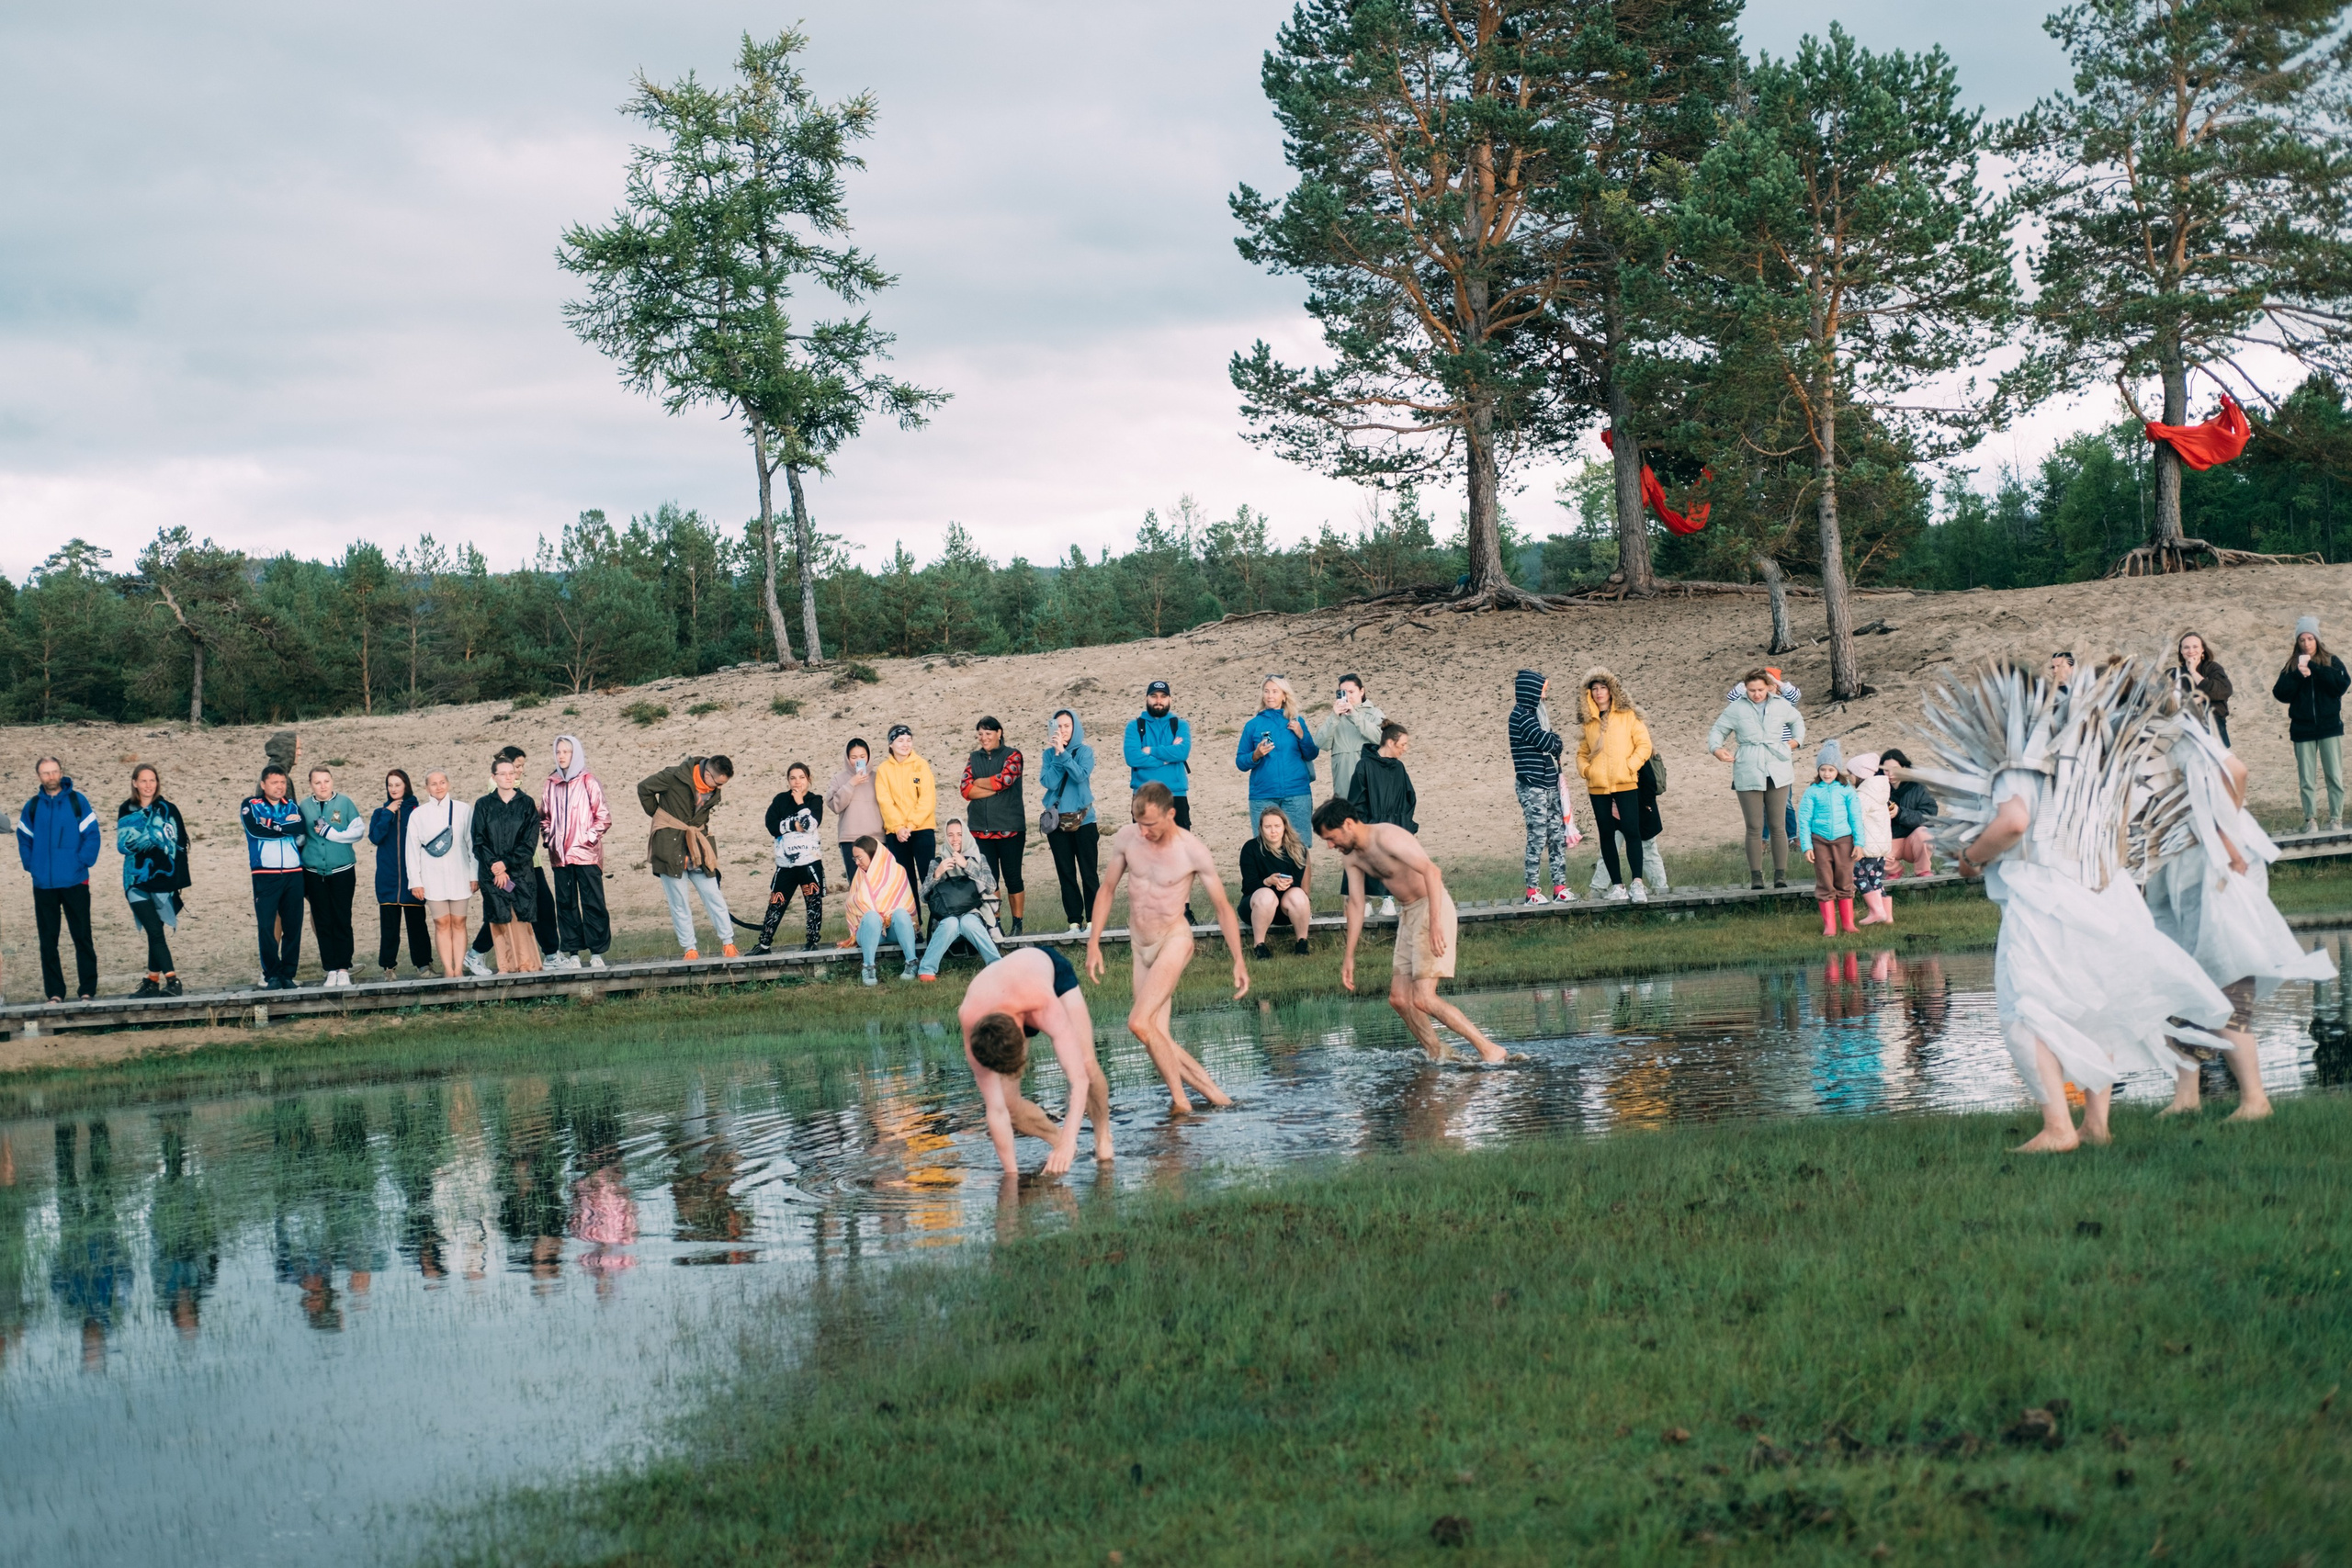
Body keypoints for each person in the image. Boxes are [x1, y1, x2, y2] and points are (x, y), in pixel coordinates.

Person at [1936, 655, 2232, 1153]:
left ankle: (2057, 1127)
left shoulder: (2016, 760)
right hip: (2103, 889)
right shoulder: (2090, 753)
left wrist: (1970, 856)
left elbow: (2014, 823)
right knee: (2099, 1002)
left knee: (2021, 1011)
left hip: (2043, 898)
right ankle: (2096, 1124)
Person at [2143, 715, 2335, 1120]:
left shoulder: (2179, 732)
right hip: (2179, 867)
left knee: (2226, 967)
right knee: (2178, 976)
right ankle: (2186, 1097)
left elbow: (2237, 771)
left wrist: (2224, 833)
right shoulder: (2142, 740)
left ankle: (2254, 1099)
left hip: (2216, 865)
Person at [1086, 781, 1250, 1116]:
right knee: (1153, 1035)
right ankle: (1219, 1099)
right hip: (1140, 947)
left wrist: (1238, 959)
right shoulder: (1127, 839)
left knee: (1138, 1023)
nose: (1143, 832)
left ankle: (1181, 1101)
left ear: (1170, 814)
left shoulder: (1192, 850)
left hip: (1174, 940)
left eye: (1150, 825)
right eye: (1138, 822)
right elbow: (1107, 890)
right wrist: (1094, 942)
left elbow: (1221, 907)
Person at [1313, 796, 1509, 1065]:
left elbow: (1432, 872)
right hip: (1408, 915)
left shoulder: (1387, 836)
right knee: (1400, 999)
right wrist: (1349, 956)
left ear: (1348, 824)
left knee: (1424, 998)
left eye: (1331, 838)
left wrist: (1436, 924)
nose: (1330, 845)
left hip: (1430, 906)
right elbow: (1357, 905)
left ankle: (1489, 1049)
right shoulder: (1352, 857)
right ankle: (1438, 1054)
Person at [958, 946, 1112, 1177]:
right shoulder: (971, 1020)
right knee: (1009, 1105)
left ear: (1021, 1032)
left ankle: (1102, 1138)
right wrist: (1011, 1176)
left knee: (1087, 1065)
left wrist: (1071, 1139)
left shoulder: (1041, 1004)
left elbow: (1077, 1079)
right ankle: (1057, 1140)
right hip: (1001, 993)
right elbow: (996, 1109)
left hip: (1046, 972)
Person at [1708, 668, 1805, 889]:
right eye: (1752, 690)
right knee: (1754, 826)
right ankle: (1756, 877)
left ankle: (1780, 876)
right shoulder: (1736, 708)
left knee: (1778, 825)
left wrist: (1796, 741)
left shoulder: (1781, 704)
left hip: (1778, 767)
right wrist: (1717, 749)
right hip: (1748, 766)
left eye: (1760, 689)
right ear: (1745, 689)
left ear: (1769, 687)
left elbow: (1797, 721)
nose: (1756, 694)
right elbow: (1717, 731)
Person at [466, 745, 560, 974]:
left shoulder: (525, 803)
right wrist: (496, 867)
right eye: (506, 772)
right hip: (494, 871)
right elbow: (480, 840)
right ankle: (480, 955)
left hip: (521, 868)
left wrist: (505, 864)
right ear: (494, 776)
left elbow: (528, 842)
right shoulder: (484, 804)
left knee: (529, 909)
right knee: (500, 912)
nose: (512, 775)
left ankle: (545, 957)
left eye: (515, 771)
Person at [638, 754, 738, 961]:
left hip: (699, 849)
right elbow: (644, 788)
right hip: (669, 848)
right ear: (708, 774)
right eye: (718, 783)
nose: (718, 788)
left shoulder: (715, 788)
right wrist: (658, 815)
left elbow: (702, 816)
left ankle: (729, 944)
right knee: (679, 902)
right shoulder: (674, 775)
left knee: (714, 895)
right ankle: (690, 950)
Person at [17, 758, 101, 1004]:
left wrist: (81, 862)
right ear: (39, 776)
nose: (50, 777)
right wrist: (32, 866)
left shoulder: (78, 802)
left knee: (82, 937)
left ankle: (87, 990)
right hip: (43, 884)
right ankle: (55, 993)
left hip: (75, 881)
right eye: (45, 773)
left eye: (54, 772)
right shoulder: (32, 806)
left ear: (61, 773)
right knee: (48, 941)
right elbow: (24, 838)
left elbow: (92, 835)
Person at [1576, 668, 1654, 903]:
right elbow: (1582, 752)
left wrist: (1630, 766)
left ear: (1612, 690)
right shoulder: (1588, 722)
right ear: (1589, 693)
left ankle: (1637, 884)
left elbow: (1644, 745)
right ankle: (1618, 886)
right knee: (1606, 835)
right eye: (1594, 689)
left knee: (1632, 832)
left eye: (1603, 688)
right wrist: (1586, 770)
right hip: (1598, 787)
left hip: (1626, 783)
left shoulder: (1628, 715)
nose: (1599, 693)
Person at [1125, 680, 1198, 921]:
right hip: (1144, 796)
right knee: (1146, 854)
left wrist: (1151, 751)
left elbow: (1182, 752)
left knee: (1180, 853)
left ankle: (1183, 909)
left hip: (1176, 795)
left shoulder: (1180, 725)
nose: (1158, 701)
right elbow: (1132, 757)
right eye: (1154, 696)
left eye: (1163, 697)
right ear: (1147, 698)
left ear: (1170, 699)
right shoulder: (1134, 726)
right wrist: (1167, 755)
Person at [115, 764, 189, 998]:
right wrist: (150, 839)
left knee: (154, 932)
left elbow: (178, 844)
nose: (149, 785)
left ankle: (151, 981)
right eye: (143, 781)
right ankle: (173, 980)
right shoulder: (126, 809)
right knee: (155, 930)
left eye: (152, 780)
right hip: (135, 878)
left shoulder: (168, 809)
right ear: (135, 783)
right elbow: (123, 845)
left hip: (162, 878)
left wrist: (176, 878)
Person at [542, 734, 612, 971]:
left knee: (593, 902)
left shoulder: (588, 780)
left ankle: (597, 952)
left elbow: (603, 817)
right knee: (566, 904)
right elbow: (545, 818)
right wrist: (550, 840)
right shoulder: (551, 783)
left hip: (587, 856)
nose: (562, 756)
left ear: (576, 754)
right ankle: (573, 952)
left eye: (566, 752)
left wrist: (587, 840)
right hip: (560, 858)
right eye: (559, 752)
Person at [1237, 675, 1320, 871]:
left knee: (1300, 847)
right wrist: (1255, 755)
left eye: (1275, 691)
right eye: (1266, 691)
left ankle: (1302, 897)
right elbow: (1240, 761)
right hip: (1263, 796)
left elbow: (1311, 753)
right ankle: (1270, 895)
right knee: (1264, 847)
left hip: (1297, 793)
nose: (1270, 695)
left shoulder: (1296, 721)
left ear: (1284, 695)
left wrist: (1301, 734)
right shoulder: (1253, 725)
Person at [2272, 615, 2347, 832]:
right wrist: (2298, 675)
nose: (2306, 643)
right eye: (2302, 639)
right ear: (2297, 642)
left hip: (2329, 727)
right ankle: (2310, 820)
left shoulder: (2331, 661)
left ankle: (2336, 819)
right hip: (2302, 729)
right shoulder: (2291, 665)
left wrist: (2316, 669)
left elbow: (2341, 685)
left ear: (2317, 639)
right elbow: (2280, 693)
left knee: (2334, 775)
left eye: (2310, 638)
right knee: (2307, 778)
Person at [297, 766, 369, 988]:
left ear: (332, 781)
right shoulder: (304, 806)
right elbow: (300, 836)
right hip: (314, 873)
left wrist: (332, 834)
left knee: (342, 918)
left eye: (326, 781)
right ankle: (330, 968)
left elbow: (358, 831)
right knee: (322, 920)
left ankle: (343, 968)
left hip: (342, 871)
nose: (323, 786)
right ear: (311, 784)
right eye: (317, 782)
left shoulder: (344, 803)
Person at [1508, 670, 1574, 905]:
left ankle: (1559, 887)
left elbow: (1556, 743)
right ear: (1531, 690)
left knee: (1556, 835)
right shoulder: (1521, 716)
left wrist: (1555, 742)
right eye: (1543, 689)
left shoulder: (1537, 715)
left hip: (1549, 782)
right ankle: (1532, 892)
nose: (1545, 694)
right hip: (1532, 785)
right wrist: (1554, 741)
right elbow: (1546, 741)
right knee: (1537, 838)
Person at [404, 769, 477, 978]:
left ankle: (459, 969)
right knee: (441, 923)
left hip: (460, 874)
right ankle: (448, 968)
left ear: (448, 784)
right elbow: (412, 850)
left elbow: (472, 845)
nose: (439, 787)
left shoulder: (463, 809)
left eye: (442, 782)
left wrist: (474, 874)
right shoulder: (418, 814)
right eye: (433, 784)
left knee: (459, 922)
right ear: (426, 788)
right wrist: (415, 881)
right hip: (432, 877)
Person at [241, 764, 307, 990]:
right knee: (267, 927)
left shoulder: (292, 805)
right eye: (274, 782)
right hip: (265, 873)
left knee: (293, 926)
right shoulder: (251, 804)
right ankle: (271, 975)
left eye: (282, 782)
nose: (280, 786)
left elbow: (299, 827)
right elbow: (255, 830)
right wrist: (283, 827)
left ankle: (288, 974)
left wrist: (273, 825)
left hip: (294, 873)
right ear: (263, 785)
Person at [960, 717, 1027, 936]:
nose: (984, 738)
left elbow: (1005, 780)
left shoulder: (1013, 755)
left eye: (988, 733)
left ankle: (1017, 923)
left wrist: (981, 782)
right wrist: (994, 787)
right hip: (980, 829)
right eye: (980, 734)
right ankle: (995, 923)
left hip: (1010, 828)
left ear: (999, 732)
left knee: (1013, 877)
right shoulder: (973, 758)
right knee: (990, 880)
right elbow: (965, 790)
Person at [1347, 719, 1418, 916]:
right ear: (1390, 743)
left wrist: (1407, 827)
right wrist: (1366, 826)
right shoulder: (1364, 766)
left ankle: (1389, 900)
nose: (1405, 749)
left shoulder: (1399, 768)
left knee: (1394, 862)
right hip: (1371, 824)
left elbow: (1408, 799)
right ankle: (1365, 900)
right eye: (1403, 744)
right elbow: (1356, 801)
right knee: (1367, 861)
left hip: (1396, 824)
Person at [1796, 740, 1866, 936]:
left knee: (1844, 879)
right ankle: (1830, 926)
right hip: (1820, 841)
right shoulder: (1812, 792)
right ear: (1818, 770)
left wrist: (1859, 843)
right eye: (1823, 769)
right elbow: (1804, 819)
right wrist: (1807, 846)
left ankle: (1848, 924)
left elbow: (1856, 818)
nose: (1826, 774)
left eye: (1831, 770)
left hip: (1844, 840)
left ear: (1838, 771)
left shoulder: (1847, 791)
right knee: (1825, 880)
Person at [1038, 707, 1099, 935]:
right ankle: (1074, 922)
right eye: (1059, 726)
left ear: (1075, 728)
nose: (1063, 730)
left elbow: (1080, 776)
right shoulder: (1048, 754)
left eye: (1067, 726)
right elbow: (1049, 783)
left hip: (1084, 822)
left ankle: (1093, 922)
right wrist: (1056, 754)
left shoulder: (1085, 751)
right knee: (1066, 874)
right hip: (1057, 824)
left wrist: (1064, 754)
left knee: (1089, 873)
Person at [755, 763, 826, 954]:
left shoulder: (815, 800)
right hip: (785, 864)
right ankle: (764, 944)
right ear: (788, 780)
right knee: (776, 902)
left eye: (801, 777)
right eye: (793, 778)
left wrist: (800, 803)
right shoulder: (780, 800)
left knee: (813, 902)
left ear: (809, 779)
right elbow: (771, 826)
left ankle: (812, 942)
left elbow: (810, 824)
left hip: (809, 862)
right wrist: (794, 824)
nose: (797, 782)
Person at [919, 820, 1002, 980]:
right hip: (946, 917)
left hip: (974, 915)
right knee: (951, 923)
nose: (955, 839)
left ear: (966, 835)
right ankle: (926, 970)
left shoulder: (978, 858)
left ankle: (996, 965)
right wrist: (937, 874)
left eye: (959, 834)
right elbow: (923, 896)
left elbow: (991, 886)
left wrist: (967, 866)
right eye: (950, 835)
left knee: (968, 922)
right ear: (945, 837)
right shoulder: (937, 862)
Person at [367, 770, 431, 979]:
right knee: (389, 927)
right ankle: (388, 967)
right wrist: (388, 813)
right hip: (388, 879)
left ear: (406, 786)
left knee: (417, 925)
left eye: (397, 784)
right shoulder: (380, 812)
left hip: (412, 880)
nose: (393, 789)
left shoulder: (418, 811)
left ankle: (423, 965)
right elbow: (375, 837)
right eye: (390, 785)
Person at [876, 725, 939, 919]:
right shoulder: (883, 770)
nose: (905, 744)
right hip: (896, 834)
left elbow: (927, 799)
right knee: (905, 882)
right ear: (891, 744)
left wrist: (910, 826)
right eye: (900, 740)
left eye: (908, 740)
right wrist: (898, 828)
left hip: (922, 830)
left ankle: (938, 921)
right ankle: (914, 925)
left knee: (930, 879)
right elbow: (885, 801)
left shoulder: (921, 765)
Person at [840, 835, 918, 986]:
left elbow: (906, 902)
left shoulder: (897, 871)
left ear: (873, 855)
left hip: (895, 929)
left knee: (901, 913)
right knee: (871, 917)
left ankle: (912, 962)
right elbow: (852, 905)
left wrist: (886, 915)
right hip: (870, 931)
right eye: (854, 859)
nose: (857, 863)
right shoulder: (860, 876)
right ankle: (868, 967)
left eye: (860, 858)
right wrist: (876, 915)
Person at [1239, 803, 1312, 958]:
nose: (1273, 831)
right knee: (1266, 895)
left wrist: (1284, 883)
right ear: (1260, 828)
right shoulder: (1250, 848)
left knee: (1298, 895)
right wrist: (1267, 882)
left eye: (1277, 826)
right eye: (1268, 827)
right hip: (1255, 906)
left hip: (1286, 909)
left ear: (1284, 826)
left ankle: (1302, 943)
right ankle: (1259, 946)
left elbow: (1297, 883)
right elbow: (1249, 886)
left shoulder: (1298, 849)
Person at [1312, 673, 1385, 807]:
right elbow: (1320, 743)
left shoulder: (1375, 714)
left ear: (1362, 691)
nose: (1348, 696)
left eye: (1351, 691)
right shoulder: (1335, 718)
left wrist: (1355, 716)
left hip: (1370, 779)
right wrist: (1334, 717)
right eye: (1343, 693)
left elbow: (1382, 738)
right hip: (1343, 782)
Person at [825, 739, 884, 881]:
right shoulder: (839, 779)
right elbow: (834, 806)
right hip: (850, 838)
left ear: (869, 756)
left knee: (879, 882)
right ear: (847, 758)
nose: (859, 760)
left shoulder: (879, 777)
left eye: (862, 756)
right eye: (854, 757)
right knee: (857, 883)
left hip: (877, 838)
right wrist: (851, 784)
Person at [1849, 752, 1896, 927]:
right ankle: (1887, 916)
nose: (1849, 778)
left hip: (1868, 846)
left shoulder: (1864, 795)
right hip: (1881, 846)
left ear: (1860, 775)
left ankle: (1877, 911)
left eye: (1851, 774)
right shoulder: (1880, 792)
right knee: (1875, 878)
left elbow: (1856, 819)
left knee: (1858, 877)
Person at [1881, 747, 1938, 880]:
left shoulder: (1918, 788)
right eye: (1886, 770)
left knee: (1925, 833)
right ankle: (1895, 870)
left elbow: (1929, 816)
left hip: (1915, 841)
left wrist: (1900, 813)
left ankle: (1923, 871)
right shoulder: (1877, 788)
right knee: (1871, 849)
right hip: (1891, 842)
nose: (1890, 774)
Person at [2173, 631, 2233, 749]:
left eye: (2195, 647)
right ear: (2181, 651)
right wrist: (2200, 699)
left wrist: (2193, 672)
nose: (2191, 651)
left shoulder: (2212, 668)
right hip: (2182, 730)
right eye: (2186, 647)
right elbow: (2166, 701)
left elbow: (2223, 691)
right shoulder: (2173, 673)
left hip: (2213, 727)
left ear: (2202, 650)